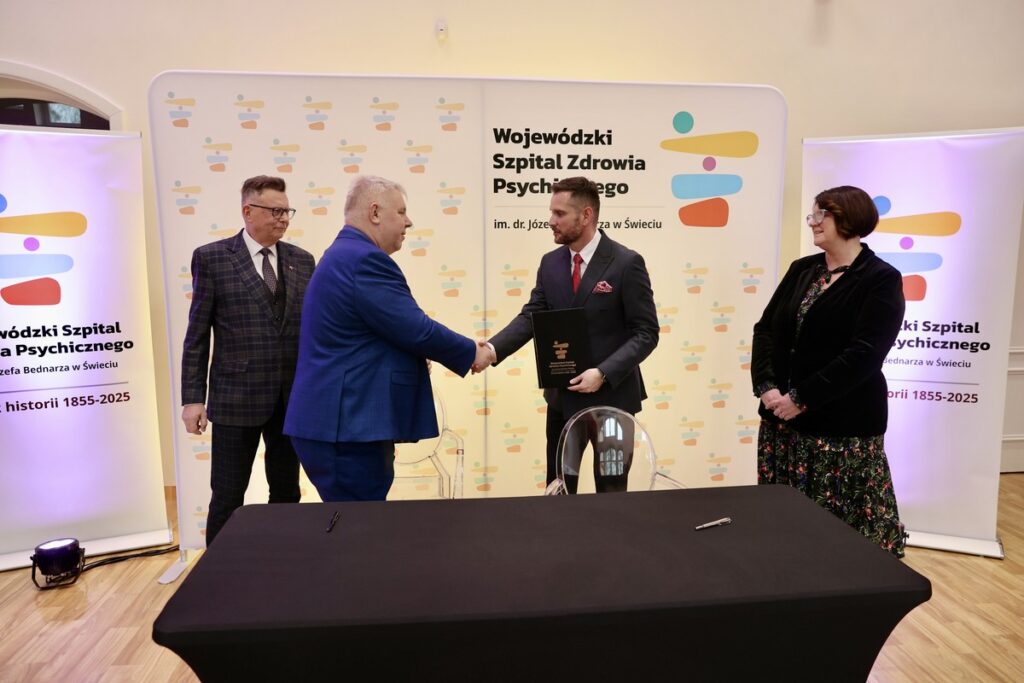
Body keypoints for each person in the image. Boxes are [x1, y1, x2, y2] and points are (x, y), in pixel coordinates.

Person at [284, 175, 492, 501]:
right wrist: (471, 352)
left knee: (358, 529)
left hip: (342, 425)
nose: (408, 222)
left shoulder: (344, 254)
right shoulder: (364, 260)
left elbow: (374, 333)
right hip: (349, 428)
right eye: (402, 212)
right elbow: (415, 328)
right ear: (376, 212)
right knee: (360, 533)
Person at [751, 185, 907, 557]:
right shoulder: (802, 269)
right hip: (782, 422)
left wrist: (802, 399)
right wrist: (767, 386)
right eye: (813, 214)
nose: (813, 222)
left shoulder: (880, 279)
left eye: (822, 214)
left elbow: (865, 354)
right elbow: (766, 329)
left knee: (839, 539)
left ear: (849, 219)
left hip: (841, 429)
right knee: (785, 531)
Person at [478, 176, 659, 492]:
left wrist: (603, 373)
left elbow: (646, 333)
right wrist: (492, 349)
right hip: (562, 403)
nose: (551, 221)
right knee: (559, 489)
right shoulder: (550, 264)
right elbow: (531, 316)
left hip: (613, 404)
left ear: (586, 215)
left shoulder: (626, 263)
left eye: (560, 213)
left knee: (612, 492)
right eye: (552, 212)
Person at [181, 175, 315, 545]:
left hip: (291, 401)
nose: (283, 218)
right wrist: (193, 398)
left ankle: (284, 565)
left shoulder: (303, 261)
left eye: (287, 211)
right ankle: (217, 580)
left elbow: (318, 329)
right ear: (248, 211)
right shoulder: (212, 258)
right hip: (235, 400)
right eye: (275, 211)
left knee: (287, 491)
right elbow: (197, 334)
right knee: (227, 495)